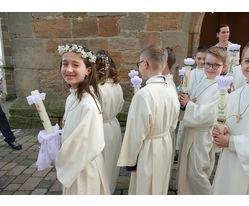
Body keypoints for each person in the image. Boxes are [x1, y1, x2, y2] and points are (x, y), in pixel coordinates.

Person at [211, 38, 249, 195]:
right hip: (228, 168)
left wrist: (231, 141)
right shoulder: (233, 95)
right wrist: (219, 132)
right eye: (248, 61)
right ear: (241, 64)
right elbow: (226, 126)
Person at [117, 44, 180, 195]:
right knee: (159, 187)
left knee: (145, 189)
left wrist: (131, 160)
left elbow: (136, 133)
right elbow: (173, 123)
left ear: (145, 63)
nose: (139, 68)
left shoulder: (143, 94)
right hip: (165, 144)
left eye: (139, 64)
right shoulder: (171, 89)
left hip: (149, 149)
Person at [53, 44, 110, 195]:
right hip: (75, 164)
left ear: (88, 71)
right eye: (65, 64)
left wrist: (60, 160)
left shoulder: (88, 104)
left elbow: (85, 144)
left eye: (75, 65)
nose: (69, 69)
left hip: (83, 168)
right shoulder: (73, 96)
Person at [177, 47, 227, 195]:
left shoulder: (221, 89)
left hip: (202, 137)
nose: (210, 68)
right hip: (191, 133)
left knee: (197, 174)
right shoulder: (204, 81)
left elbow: (210, 115)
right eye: (207, 63)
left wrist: (188, 105)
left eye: (215, 65)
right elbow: (195, 104)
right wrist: (184, 102)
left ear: (223, 67)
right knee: (186, 172)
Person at [95, 50, 124, 194]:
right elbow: (120, 105)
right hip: (114, 126)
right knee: (112, 162)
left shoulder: (97, 89)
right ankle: (109, 190)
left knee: (102, 164)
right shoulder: (117, 86)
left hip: (100, 129)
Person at [175, 46, 207, 161]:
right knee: (183, 128)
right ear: (194, 58)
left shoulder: (208, 75)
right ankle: (180, 149)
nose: (201, 62)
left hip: (200, 105)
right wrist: (181, 90)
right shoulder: (190, 73)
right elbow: (183, 85)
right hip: (188, 104)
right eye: (199, 58)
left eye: (204, 59)